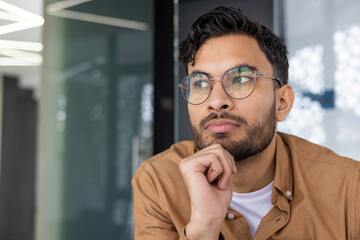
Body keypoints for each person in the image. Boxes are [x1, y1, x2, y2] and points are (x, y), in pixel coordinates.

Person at [132, 6, 360, 240]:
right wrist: (204, 226)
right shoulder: (158, 183)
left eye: (240, 79)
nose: (217, 101)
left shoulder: (349, 189)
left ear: (282, 102)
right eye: (200, 83)